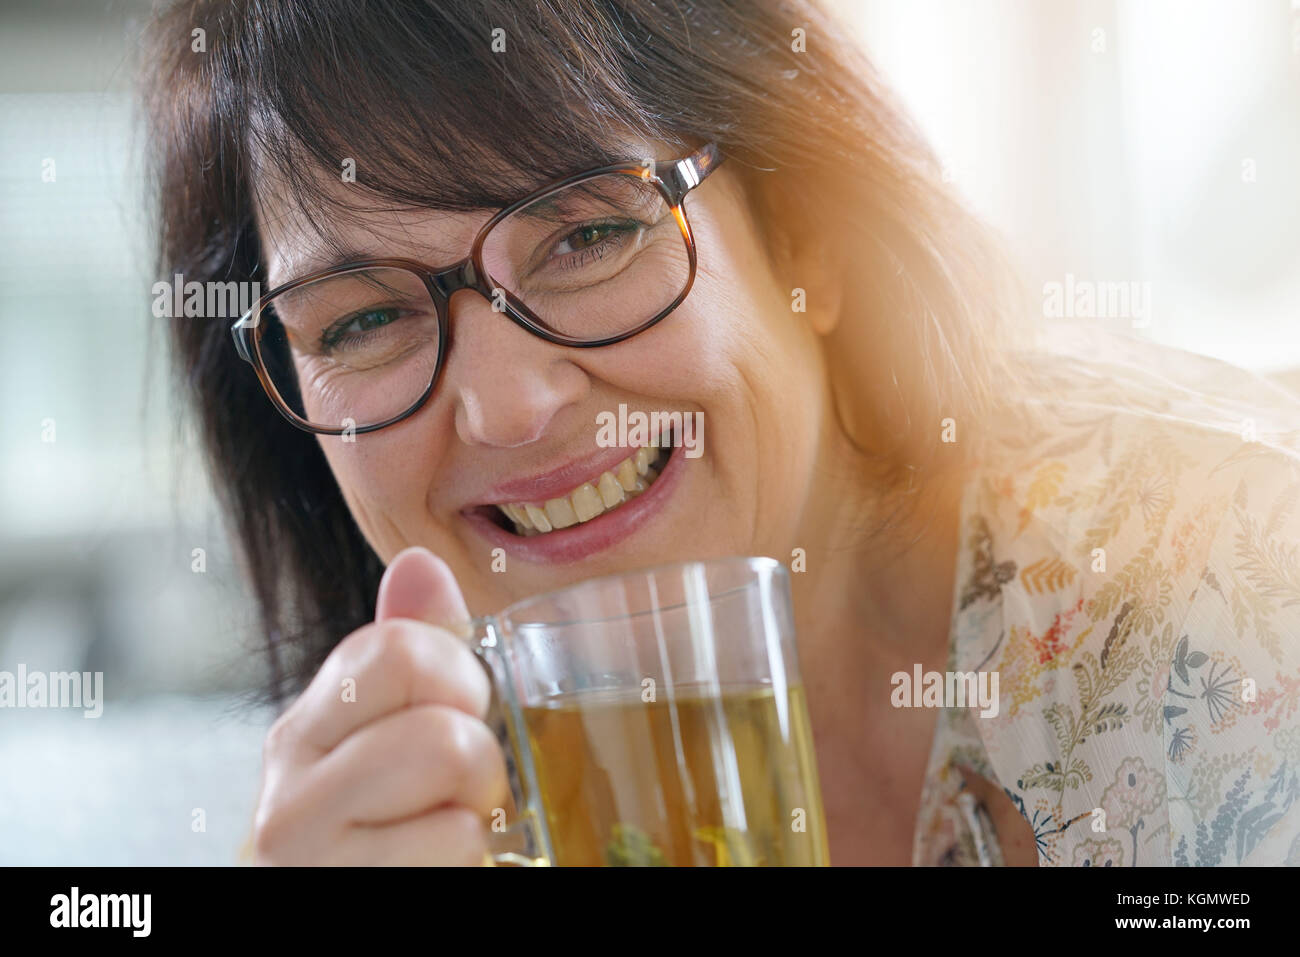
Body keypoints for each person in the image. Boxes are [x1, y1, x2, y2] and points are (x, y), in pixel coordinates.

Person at [142, 0, 1300, 865]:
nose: (507, 407)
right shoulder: (416, 809)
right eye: (367, 318)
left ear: (806, 240)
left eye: (587, 237)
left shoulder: (1233, 584)